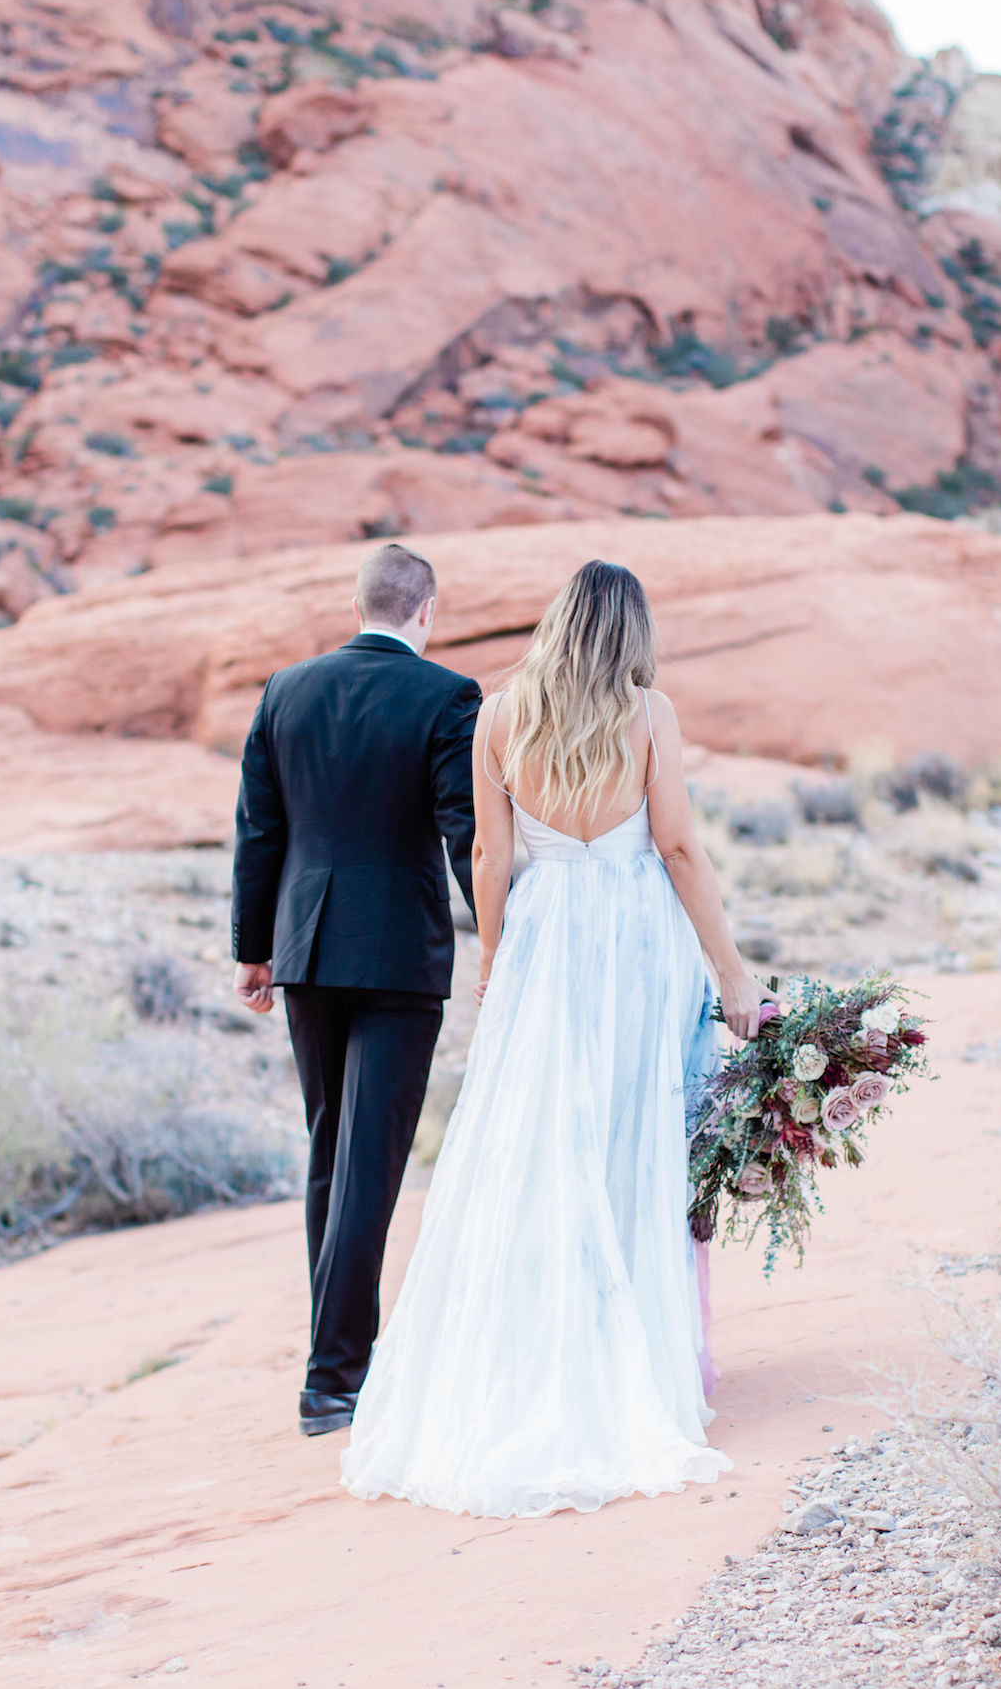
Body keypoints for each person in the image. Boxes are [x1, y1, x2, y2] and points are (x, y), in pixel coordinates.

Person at [341, 560, 771, 1518]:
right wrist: (731, 970)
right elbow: (679, 848)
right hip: (634, 937)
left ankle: (538, 1352)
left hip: (544, 938)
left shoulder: (500, 713)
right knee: (632, 1135)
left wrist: (497, 964)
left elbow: (491, 857)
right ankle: (634, 1366)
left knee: (536, 1145)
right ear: (629, 630)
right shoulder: (646, 711)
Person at [231, 543, 481, 1439]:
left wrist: (252, 949)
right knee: (368, 1165)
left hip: (303, 950)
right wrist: (506, 938)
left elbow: (260, 829)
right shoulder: (448, 696)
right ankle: (334, 1381)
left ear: (357, 604)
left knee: (332, 1153)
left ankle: (338, 1366)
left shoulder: (284, 689)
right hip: (395, 960)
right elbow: (466, 834)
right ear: (427, 611)